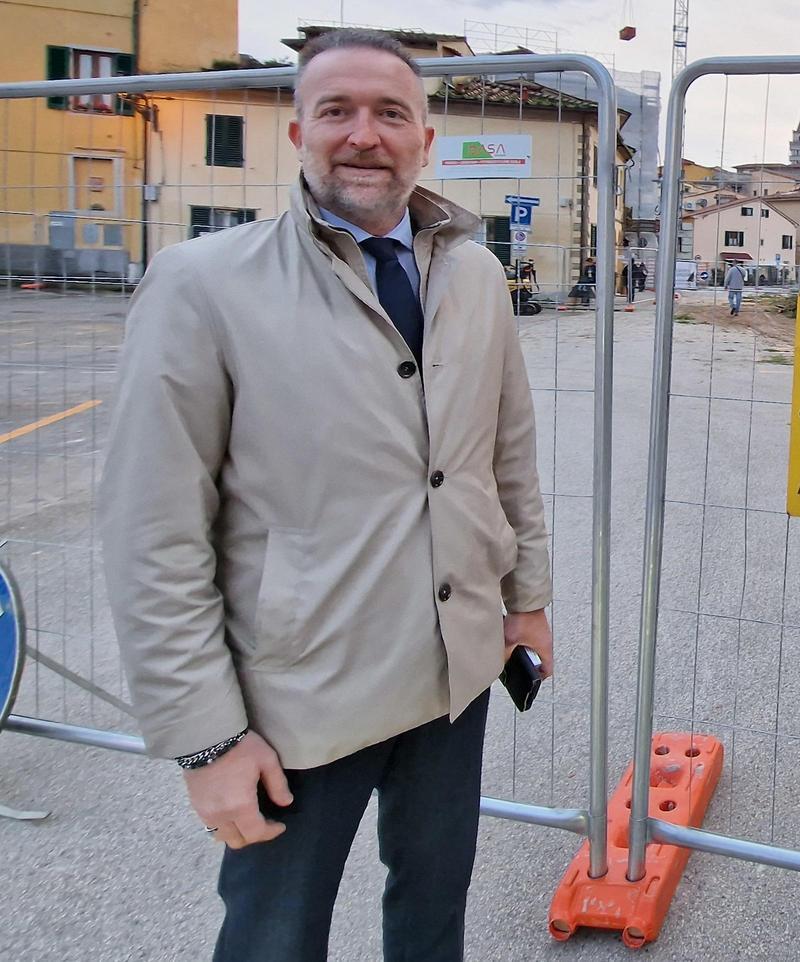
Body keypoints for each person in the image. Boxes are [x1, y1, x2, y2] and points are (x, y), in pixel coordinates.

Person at [97, 29, 554, 962]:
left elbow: (505, 456)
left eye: (390, 113)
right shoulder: (202, 286)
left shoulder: (473, 275)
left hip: (453, 675)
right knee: (275, 939)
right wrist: (206, 741)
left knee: (433, 918)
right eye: (338, 111)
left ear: (424, 138)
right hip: (299, 702)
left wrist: (527, 602)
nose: (364, 134)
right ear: (299, 130)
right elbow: (154, 533)